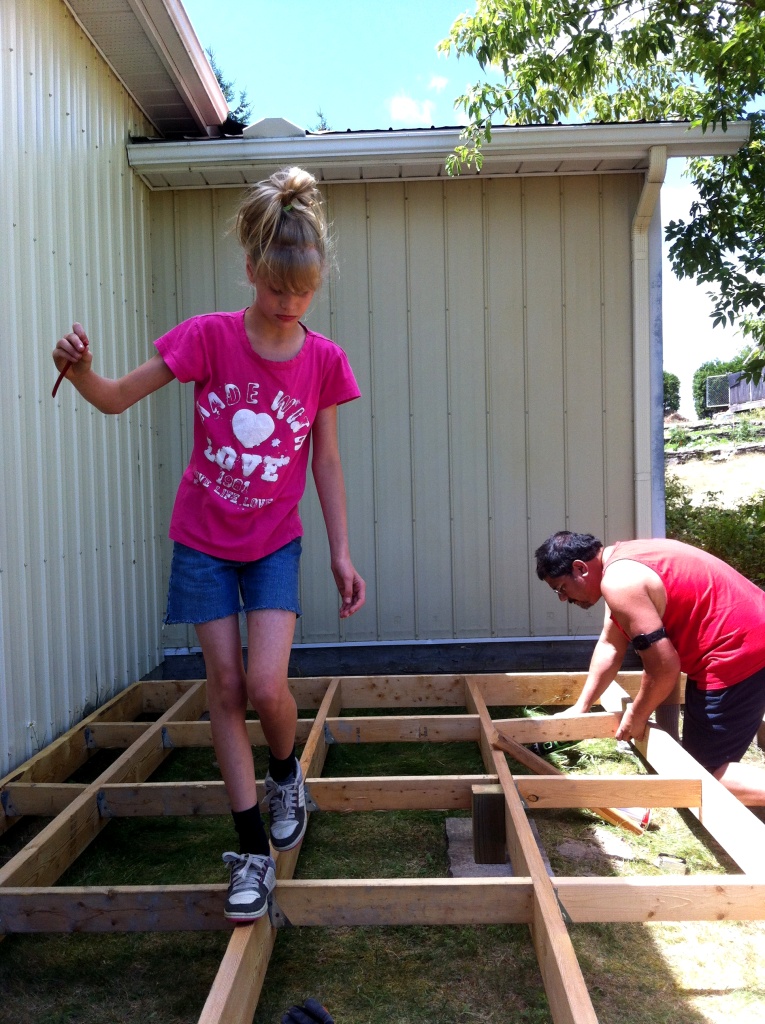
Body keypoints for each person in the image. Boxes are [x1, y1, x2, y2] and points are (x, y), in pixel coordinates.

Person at [53, 167, 366, 920]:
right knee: (223, 693)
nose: (289, 305)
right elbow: (116, 397)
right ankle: (251, 853)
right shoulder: (209, 338)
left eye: (303, 293)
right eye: (276, 289)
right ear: (252, 270)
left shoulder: (321, 359)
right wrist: (83, 370)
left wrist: (340, 551)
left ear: (317, 283)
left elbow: (323, 458)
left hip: (273, 545)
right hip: (201, 540)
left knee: (266, 688)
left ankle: (286, 770)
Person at [534, 531, 765, 805]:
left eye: (561, 588)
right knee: (698, 765)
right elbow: (610, 645)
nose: (563, 599)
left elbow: (664, 667)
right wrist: (582, 706)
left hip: (738, 653)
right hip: (745, 640)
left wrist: (637, 714)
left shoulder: (620, 583)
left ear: (580, 568)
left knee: (699, 776)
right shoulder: (622, 562)